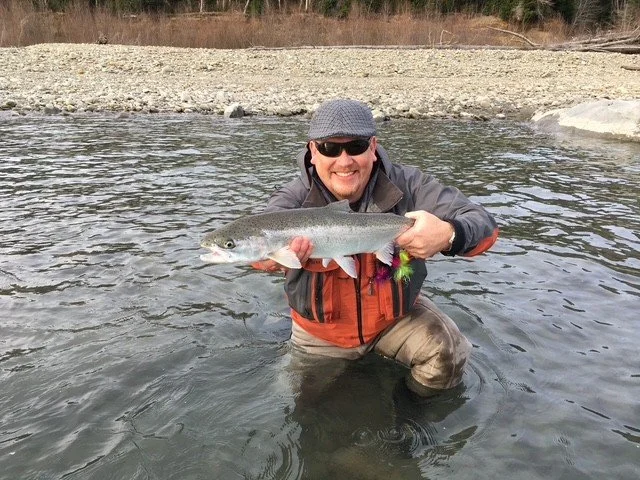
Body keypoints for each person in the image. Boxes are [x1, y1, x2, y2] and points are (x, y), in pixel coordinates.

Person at [253, 99, 498, 397]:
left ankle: (412, 417)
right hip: (320, 335)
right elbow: (255, 247)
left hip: (394, 321)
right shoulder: (291, 202)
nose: (344, 162)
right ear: (313, 151)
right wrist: (268, 260)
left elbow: (485, 227)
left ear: (372, 146)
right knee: (300, 407)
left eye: (355, 146)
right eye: (331, 149)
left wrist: (449, 235)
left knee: (449, 354)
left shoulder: (410, 185)